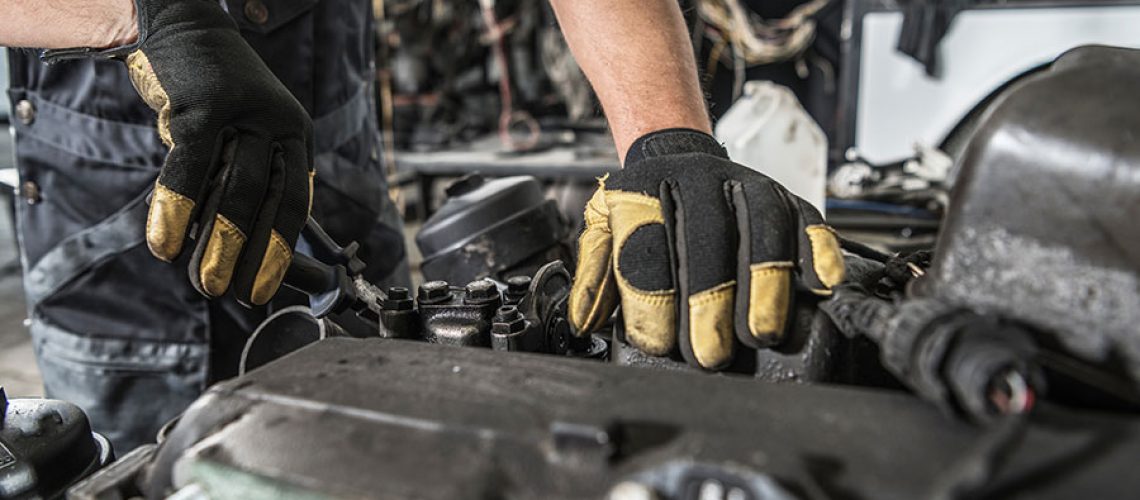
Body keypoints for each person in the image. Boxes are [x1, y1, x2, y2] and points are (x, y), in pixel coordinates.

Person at [1, 0, 844, 452]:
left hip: (333, 184)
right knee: (152, 468)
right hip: (113, 241)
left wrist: (667, 136)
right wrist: (149, 14)